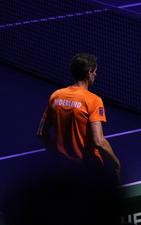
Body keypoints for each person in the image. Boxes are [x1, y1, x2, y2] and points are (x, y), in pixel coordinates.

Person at [37, 53, 121, 183]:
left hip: (64, 169)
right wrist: (116, 163)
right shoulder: (93, 100)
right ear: (89, 73)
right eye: (95, 72)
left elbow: (41, 133)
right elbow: (99, 141)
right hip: (89, 169)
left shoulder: (56, 96)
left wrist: (58, 156)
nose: (96, 75)